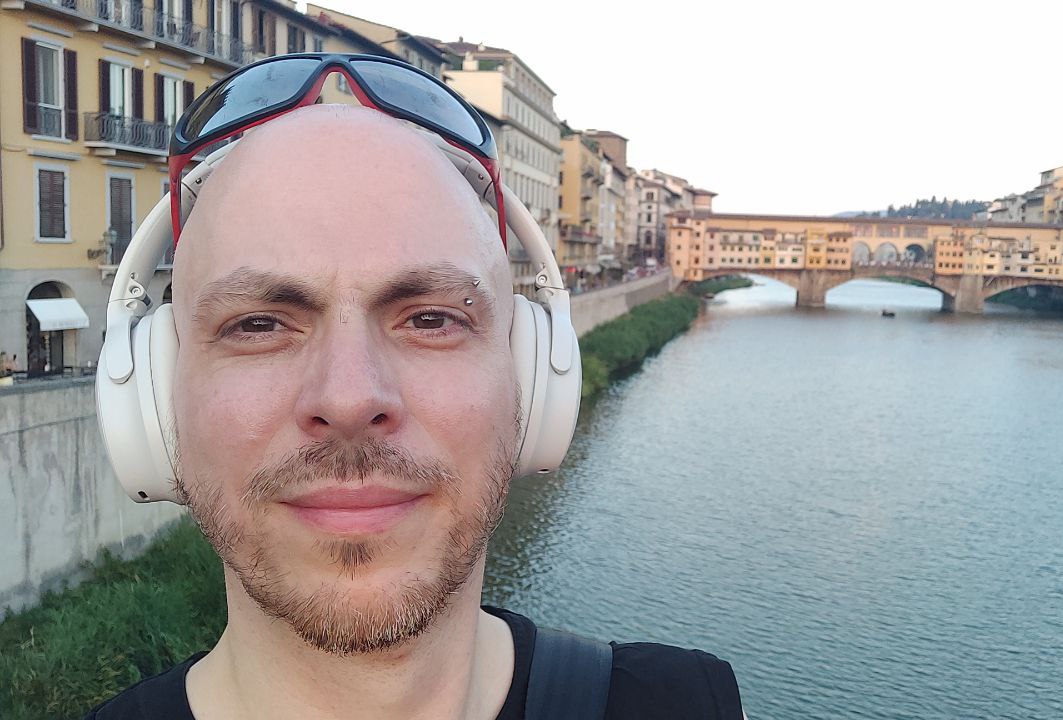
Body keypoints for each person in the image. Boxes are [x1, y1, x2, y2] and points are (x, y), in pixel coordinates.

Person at [87, 57, 741, 720]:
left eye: (431, 319)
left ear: (532, 374)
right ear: (155, 392)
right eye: (259, 324)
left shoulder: (687, 703)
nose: (348, 399)